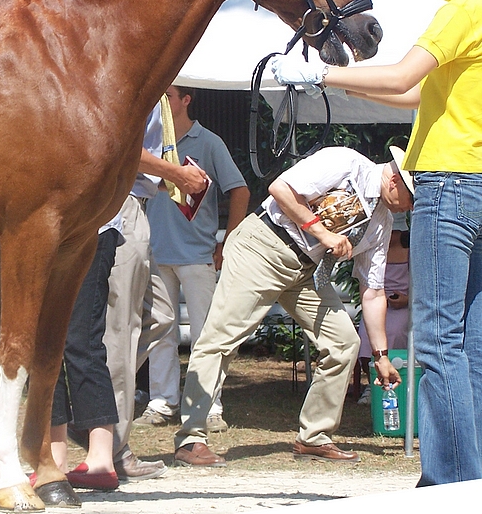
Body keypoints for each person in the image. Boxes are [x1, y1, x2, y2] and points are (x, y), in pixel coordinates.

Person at [272, 0, 482, 486]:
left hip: (449, 184)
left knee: (438, 342)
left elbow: (396, 76)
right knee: (472, 343)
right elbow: (415, 97)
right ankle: (471, 475)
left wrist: (320, 75)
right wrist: (336, 85)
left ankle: (450, 483)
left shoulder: (462, 8)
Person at [173, 146, 411, 468]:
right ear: (396, 180)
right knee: (221, 337)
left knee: (344, 342)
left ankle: (314, 436)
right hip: (264, 245)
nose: (410, 209)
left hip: (304, 271)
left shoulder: (381, 221)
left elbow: (373, 291)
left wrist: (381, 356)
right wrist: (323, 233)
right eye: (412, 199)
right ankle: (191, 438)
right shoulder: (346, 163)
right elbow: (281, 189)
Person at [102, 102, 208, 481]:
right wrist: (176, 174)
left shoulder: (158, 97)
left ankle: (93, 399)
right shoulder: (143, 88)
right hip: (122, 209)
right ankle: (113, 446)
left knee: (161, 317)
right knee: (122, 331)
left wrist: (170, 179)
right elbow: (126, 150)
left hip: (140, 206)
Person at [137, 86, 249, 431]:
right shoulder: (151, 142)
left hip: (197, 252)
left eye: (168, 96)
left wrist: (228, 242)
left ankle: (209, 406)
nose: (163, 103)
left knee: (206, 334)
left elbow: (240, 190)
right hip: (155, 251)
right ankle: (162, 402)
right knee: (160, 331)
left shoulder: (209, 141)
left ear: (187, 100)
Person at [49, 217, 121, 491]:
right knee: (43, 344)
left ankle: (101, 459)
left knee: (81, 340)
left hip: (93, 224)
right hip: (45, 225)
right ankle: (53, 458)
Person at [357, 213, 410, 405]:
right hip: (379, 303)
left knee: (395, 329)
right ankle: (371, 382)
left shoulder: (411, 251)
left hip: (405, 306)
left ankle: (396, 375)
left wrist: (406, 299)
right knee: (365, 332)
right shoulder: (375, 248)